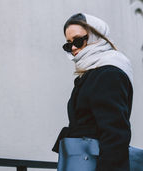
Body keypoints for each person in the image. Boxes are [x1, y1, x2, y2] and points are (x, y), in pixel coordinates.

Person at [52, 13, 134, 171]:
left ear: (95, 37)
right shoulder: (92, 73)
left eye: (77, 41)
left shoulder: (109, 73)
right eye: (68, 45)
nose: (73, 48)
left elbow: (115, 133)